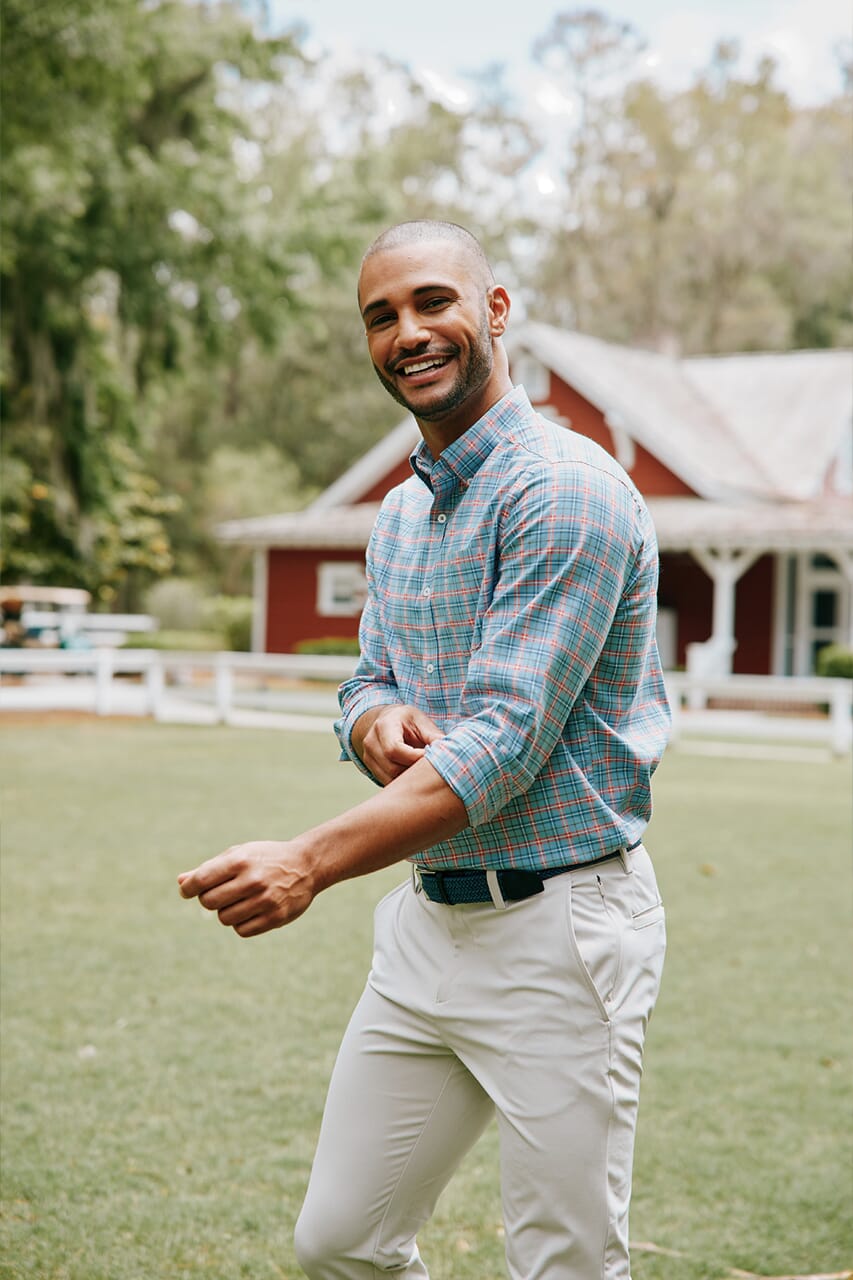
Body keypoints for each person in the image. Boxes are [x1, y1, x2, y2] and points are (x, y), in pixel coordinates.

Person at [178, 219, 670, 1279]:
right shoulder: (400, 513)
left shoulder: (563, 490)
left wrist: (307, 858)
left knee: (565, 1264)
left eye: (433, 301)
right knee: (341, 1240)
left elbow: (499, 747)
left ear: (495, 311)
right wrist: (373, 721)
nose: (409, 332)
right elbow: (369, 677)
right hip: (427, 925)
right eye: (381, 315)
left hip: (561, 932)